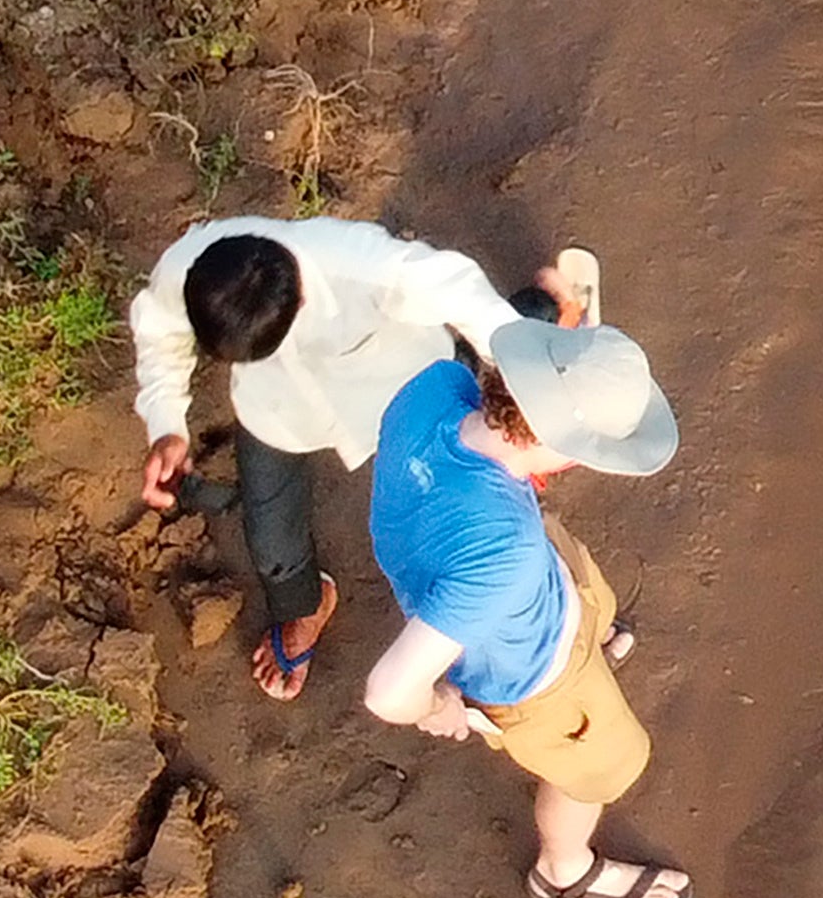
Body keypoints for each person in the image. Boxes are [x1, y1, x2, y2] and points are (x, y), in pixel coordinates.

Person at [357, 293, 692, 898]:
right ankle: (565, 872)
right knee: (597, 765)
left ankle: (591, 642)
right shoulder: (502, 555)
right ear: (563, 452)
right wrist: (436, 707)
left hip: (505, 582)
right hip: (528, 677)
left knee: (584, 594)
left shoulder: (436, 385)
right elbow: (387, 691)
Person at [130, 217, 526, 704]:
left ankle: (544, 321)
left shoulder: (366, 265)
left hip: (408, 401)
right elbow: (159, 333)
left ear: (298, 299)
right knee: (270, 538)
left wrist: (525, 378)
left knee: (467, 496)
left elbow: (462, 293)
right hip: (275, 413)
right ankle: (305, 605)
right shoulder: (188, 266)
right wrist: (166, 423)